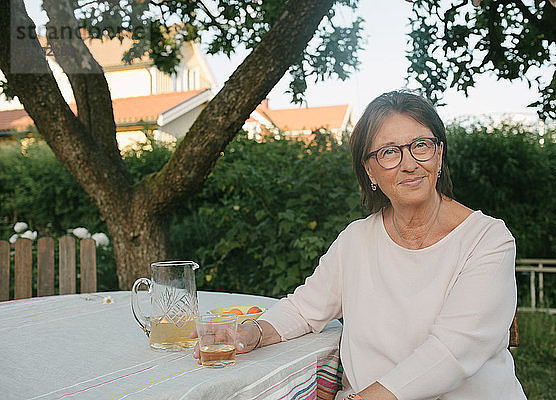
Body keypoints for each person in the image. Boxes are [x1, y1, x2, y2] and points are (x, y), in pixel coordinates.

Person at [193, 90, 527, 399]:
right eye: (389, 152)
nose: (409, 164)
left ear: (439, 155)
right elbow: (304, 310)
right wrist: (250, 333)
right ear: (369, 170)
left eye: (421, 145)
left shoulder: (487, 239)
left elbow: (453, 350)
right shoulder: (356, 240)